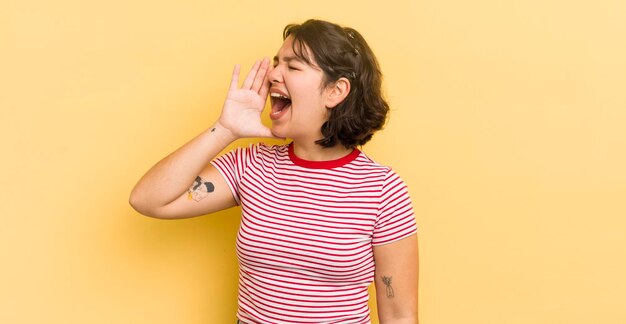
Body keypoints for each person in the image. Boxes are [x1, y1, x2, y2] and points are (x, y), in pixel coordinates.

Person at [130, 19, 419, 324]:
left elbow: (399, 315)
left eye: (293, 67)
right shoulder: (251, 166)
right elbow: (148, 199)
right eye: (276, 63)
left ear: (336, 91)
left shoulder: (382, 189)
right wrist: (225, 130)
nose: (273, 74)